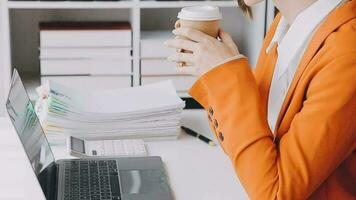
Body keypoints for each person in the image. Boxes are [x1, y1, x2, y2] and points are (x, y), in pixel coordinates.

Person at [164, 0, 355, 199]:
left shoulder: (347, 50)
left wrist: (226, 77)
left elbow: (274, 194)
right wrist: (214, 69)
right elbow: (251, 152)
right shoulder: (285, 24)